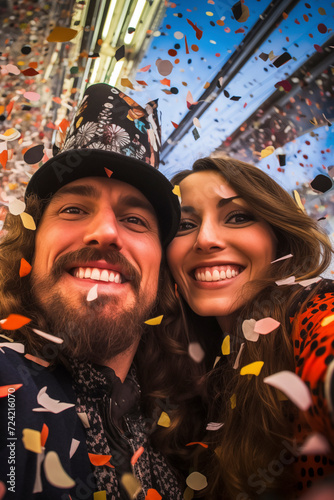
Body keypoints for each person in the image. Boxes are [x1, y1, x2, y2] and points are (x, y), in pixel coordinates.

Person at [0, 83, 184, 499]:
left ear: (165, 274)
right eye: (73, 209)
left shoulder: (173, 431)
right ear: (31, 245)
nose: (103, 232)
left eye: (135, 220)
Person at [165, 156, 334, 499]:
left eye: (238, 217)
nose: (206, 239)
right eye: (184, 225)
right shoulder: (176, 354)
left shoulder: (313, 313)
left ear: (279, 241)